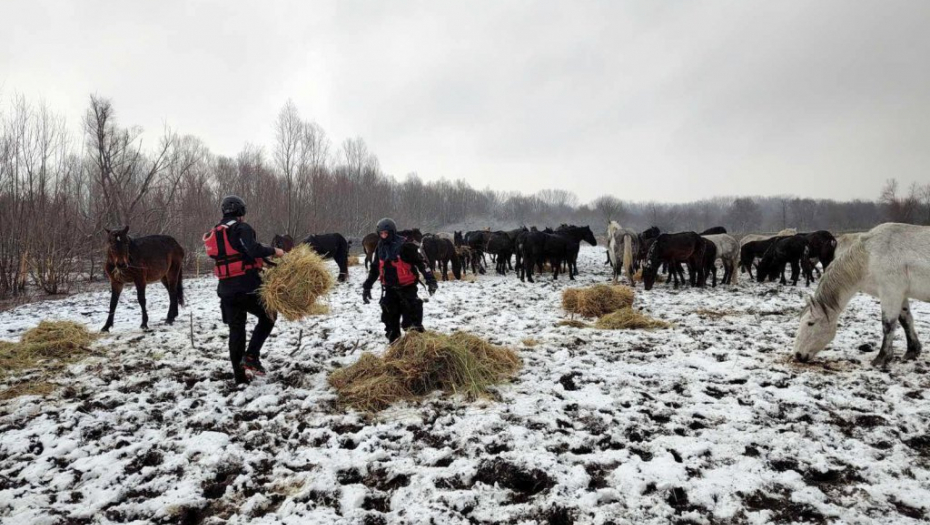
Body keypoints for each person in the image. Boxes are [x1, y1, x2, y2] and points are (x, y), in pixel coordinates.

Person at [203, 195, 284, 383]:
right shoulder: (241, 228)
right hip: (247, 286)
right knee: (269, 315)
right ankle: (251, 356)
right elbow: (253, 249)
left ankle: (239, 377)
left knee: (236, 330)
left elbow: (236, 254)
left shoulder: (215, 232)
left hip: (226, 290)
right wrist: (274, 251)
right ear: (241, 212)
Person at [362, 218, 438, 342]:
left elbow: (422, 264)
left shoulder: (405, 246)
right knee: (390, 322)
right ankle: (395, 344)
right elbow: (375, 269)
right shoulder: (379, 248)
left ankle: (417, 345)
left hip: (407, 288)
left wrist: (431, 281)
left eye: (386, 233)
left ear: (392, 232)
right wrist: (367, 287)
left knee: (411, 323)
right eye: (381, 234)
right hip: (389, 290)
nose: (384, 236)